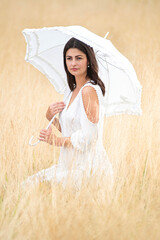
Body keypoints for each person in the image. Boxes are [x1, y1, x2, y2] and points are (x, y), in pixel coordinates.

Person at [23, 38, 113, 190]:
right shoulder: (71, 90)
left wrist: (56, 141)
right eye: (69, 58)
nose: (73, 63)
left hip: (87, 169)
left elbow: (90, 137)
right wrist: (51, 118)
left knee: (35, 187)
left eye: (79, 58)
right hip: (68, 164)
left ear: (88, 61)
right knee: (27, 185)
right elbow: (71, 131)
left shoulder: (88, 90)